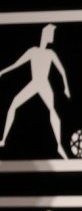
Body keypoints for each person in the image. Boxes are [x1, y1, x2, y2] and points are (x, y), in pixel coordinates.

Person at [0, 23, 71, 159]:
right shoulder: (33, 51)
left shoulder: (51, 53)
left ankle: (59, 146)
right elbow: (17, 64)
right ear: (45, 35)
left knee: (52, 111)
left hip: (44, 84)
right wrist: (3, 71)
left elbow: (62, 71)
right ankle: (3, 140)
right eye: (50, 33)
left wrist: (66, 87)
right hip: (35, 83)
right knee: (14, 104)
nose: (52, 36)